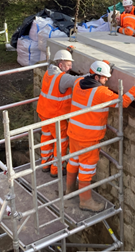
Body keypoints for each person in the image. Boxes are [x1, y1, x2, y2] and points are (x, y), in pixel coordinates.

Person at [66, 61, 135, 212]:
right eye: (104, 77)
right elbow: (123, 102)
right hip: (88, 139)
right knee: (86, 169)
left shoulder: (79, 82)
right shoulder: (101, 93)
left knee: (73, 161)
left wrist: (105, 65)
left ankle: (69, 191)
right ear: (96, 76)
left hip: (74, 133)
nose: (107, 80)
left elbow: (91, 73)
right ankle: (85, 201)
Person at [36, 49, 83, 177]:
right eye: (68, 65)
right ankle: (56, 169)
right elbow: (79, 81)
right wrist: (95, 74)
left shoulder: (48, 72)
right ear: (60, 65)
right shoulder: (63, 78)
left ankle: (45, 163)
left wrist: (66, 52)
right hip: (56, 116)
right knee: (61, 141)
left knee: (46, 138)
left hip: (44, 113)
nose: (71, 67)